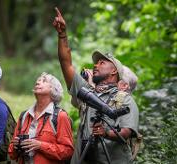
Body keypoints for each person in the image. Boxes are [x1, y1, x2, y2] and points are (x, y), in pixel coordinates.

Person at [53, 7, 139, 164]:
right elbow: (66, 63)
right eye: (96, 62)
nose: (95, 65)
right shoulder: (86, 92)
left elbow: (126, 132)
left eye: (102, 62)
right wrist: (62, 34)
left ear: (114, 71)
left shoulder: (125, 100)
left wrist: (106, 133)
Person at [8, 72, 74, 164]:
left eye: (44, 81)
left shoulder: (60, 116)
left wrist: (40, 146)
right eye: (38, 81)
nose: (38, 82)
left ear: (53, 89)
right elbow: (11, 154)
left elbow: (68, 151)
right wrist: (15, 146)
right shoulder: (24, 115)